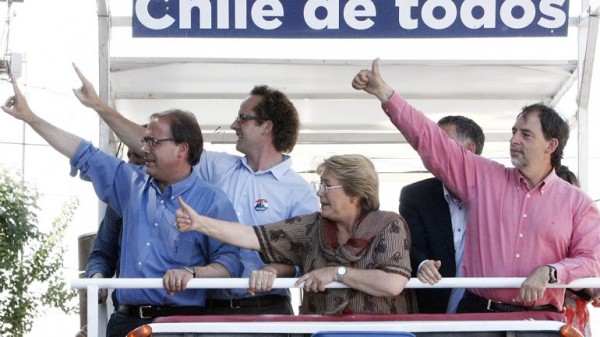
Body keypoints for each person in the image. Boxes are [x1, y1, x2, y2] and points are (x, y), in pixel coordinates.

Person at [352, 59, 600, 313]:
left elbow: (592, 260)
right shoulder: (484, 177)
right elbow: (431, 140)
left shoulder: (578, 203)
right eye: (513, 131)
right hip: (480, 315)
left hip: (538, 321)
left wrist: (551, 272)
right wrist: (385, 94)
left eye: (525, 135)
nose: (513, 140)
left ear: (551, 146)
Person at [71, 64, 320, 314]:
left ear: (267, 126)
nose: (234, 124)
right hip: (212, 310)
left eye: (242, 118)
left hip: (267, 308)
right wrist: (99, 106)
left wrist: (274, 270)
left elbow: (306, 257)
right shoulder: (219, 166)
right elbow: (156, 145)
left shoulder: (299, 191)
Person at [2, 79, 242, 337]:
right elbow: (83, 153)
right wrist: (30, 118)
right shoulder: (130, 183)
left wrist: (192, 273)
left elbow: (230, 264)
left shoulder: (212, 200)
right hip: (124, 324)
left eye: (153, 142)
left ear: (182, 149)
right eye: (145, 140)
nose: (144, 148)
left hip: (181, 326)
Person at [175, 154, 418, 315]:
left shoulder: (388, 224)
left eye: (326, 185)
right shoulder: (312, 226)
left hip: (380, 332)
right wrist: (199, 223)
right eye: (319, 185)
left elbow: (392, 283)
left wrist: (336, 273)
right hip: (320, 332)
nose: (319, 193)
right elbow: (252, 236)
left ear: (355, 193)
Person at [400, 115, 485, 314]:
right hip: (432, 307)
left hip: (485, 312)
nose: (432, 149)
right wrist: (422, 263)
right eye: (431, 142)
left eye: (442, 142)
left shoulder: (498, 193)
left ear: (469, 149)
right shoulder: (415, 195)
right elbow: (409, 245)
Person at [76, 149, 146, 337]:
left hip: (174, 320)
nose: (130, 162)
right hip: (125, 319)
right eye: (129, 155)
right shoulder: (120, 202)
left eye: (138, 156)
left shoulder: (189, 200)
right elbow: (101, 254)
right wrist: (97, 277)